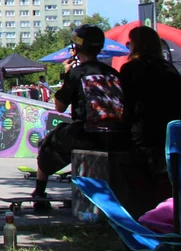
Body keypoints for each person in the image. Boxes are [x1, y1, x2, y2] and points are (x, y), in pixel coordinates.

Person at [32, 25, 126, 207]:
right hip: (118, 135)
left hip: (87, 134)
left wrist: (66, 75)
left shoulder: (77, 73)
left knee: (48, 143)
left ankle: (40, 191)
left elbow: (59, 107)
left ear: (76, 49)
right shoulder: (113, 73)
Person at [120, 25, 181, 203]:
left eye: (130, 44)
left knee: (143, 179)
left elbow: (127, 104)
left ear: (137, 46)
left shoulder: (130, 70)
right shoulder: (169, 69)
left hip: (142, 131)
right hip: (169, 131)